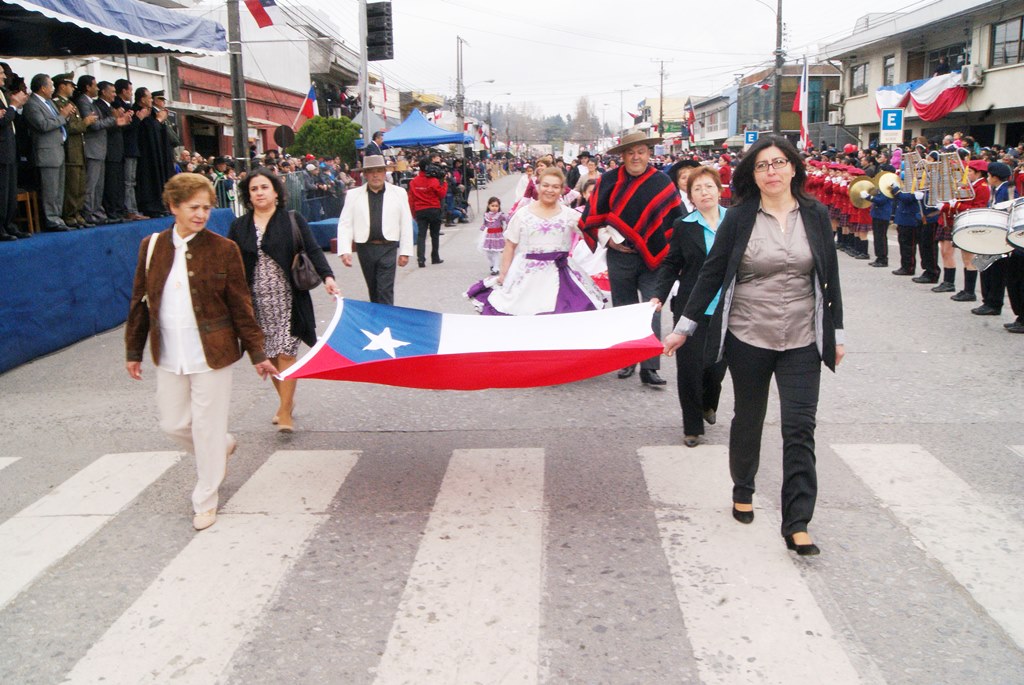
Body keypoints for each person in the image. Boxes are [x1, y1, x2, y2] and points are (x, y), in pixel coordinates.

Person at [663, 136, 845, 556]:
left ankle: (797, 522)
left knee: (800, 426)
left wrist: (837, 333)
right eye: (762, 166)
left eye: (778, 163)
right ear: (753, 175)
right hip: (748, 334)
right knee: (749, 416)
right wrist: (684, 327)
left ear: (794, 168)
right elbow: (711, 274)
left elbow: (830, 277)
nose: (771, 172)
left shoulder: (816, 214)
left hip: (803, 336)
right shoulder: (741, 217)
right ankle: (743, 487)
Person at [125, 173, 277, 531]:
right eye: (194, 207)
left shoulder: (224, 249)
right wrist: (133, 349)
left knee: (207, 427)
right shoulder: (151, 247)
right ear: (173, 206)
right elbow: (139, 301)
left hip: (213, 352)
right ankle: (221, 447)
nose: (201, 214)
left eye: (207, 208)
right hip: (168, 353)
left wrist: (257, 352)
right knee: (174, 423)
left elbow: (241, 306)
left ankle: (206, 498)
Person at [228, 168, 339, 432]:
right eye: (254, 189)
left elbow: (313, 249)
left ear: (276, 192)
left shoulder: (292, 219)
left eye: (264, 187)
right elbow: (229, 261)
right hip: (255, 301)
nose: (259, 193)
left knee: (285, 353)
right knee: (269, 355)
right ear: (248, 196)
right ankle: (286, 401)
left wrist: (328, 277)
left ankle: (285, 412)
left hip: (289, 298)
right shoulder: (239, 226)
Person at [579, 130, 683, 386]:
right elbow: (592, 217)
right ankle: (627, 361)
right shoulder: (608, 180)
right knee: (624, 310)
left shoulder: (662, 182)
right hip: (620, 256)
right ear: (622, 156)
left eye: (641, 152)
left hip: (654, 258)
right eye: (630, 152)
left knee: (651, 309)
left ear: (649, 154)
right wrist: (608, 240)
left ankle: (649, 366)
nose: (636, 157)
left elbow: (677, 220)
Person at [653, 166, 729, 448]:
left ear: (719, 190)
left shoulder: (735, 221)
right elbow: (672, 263)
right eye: (697, 189)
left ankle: (708, 402)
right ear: (690, 197)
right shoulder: (684, 225)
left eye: (709, 186)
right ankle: (692, 427)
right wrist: (659, 295)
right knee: (689, 368)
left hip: (728, 307)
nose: (704, 192)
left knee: (715, 367)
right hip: (691, 307)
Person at [466, 166, 605, 316]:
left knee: (564, 315)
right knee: (524, 313)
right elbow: (510, 246)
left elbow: (594, 234)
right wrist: (504, 274)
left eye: (555, 187)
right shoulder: (522, 215)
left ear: (562, 190)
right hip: (526, 275)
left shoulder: (570, 214)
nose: (550, 190)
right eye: (545, 185)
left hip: (561, 274)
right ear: (538, 187)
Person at [337, 154, 414, 304]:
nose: (375, 175)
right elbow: (345, 223)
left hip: (388, 247)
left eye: (379, 171)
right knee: (373, 290)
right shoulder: (353, 195)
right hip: (365, 247)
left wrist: (405, 251)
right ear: (365, 174)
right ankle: (378, 317)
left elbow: (405, 223)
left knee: (385, 290)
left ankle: (386, 317)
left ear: (385, 172)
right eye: (371, 172)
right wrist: (345, 250)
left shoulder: (399, 193)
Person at [23, 73, 75, 231]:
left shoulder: (49, 102)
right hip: (46, 152)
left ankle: (58, 217)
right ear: (43, 88)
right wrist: (62, 116)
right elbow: (43, 125)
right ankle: (51, 219)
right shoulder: (32, 104)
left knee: (59, 188)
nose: (53, 89)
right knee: (50, 189)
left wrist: (65, 116)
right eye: (51, 86)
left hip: (58, 148)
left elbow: (57, 121)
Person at [0, 64, 29, 240]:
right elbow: (2, 122)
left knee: (11, 190)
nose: (4, 77)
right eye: (1, 73)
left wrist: (13, 108)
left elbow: (8, 118)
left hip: (10, 147)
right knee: (2, 191)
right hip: (2, 150)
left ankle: (9, 224)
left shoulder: (3, 93)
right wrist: (13, 106)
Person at [408, 155, 447, 267]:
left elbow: (411, 199)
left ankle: (421, 259)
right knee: (435, 235)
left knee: (421, 235)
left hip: (420, 210)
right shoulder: (433, 181)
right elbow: (441, 194)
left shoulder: (413, 182)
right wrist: (444, 182)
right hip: (434, 209)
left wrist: (413, 213)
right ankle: (435, 257)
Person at [479, 196, 507, 275]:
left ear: (499, 207)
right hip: (488, 236)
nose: (494, 208)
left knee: (495, 253)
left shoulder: (500, 215)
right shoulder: (486, 215)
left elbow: (507, 218)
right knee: (488, 253)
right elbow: (485, 223)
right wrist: (482, 228)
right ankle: (492, 264)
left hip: (497, 237)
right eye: (492, 205)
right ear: (489, 206)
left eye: (496, 206)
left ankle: (496, 268)